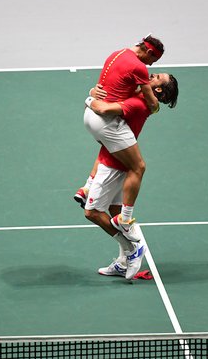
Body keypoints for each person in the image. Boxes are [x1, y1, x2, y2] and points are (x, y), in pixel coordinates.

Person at [80, 73, 178, 280]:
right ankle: (124, 263)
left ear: (157, 89)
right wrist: (94, 91)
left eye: (157, 77)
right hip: (117, 160)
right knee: (114, 210)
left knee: (92, 213)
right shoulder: (141, 98)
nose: (151, 74)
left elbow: (102, 108)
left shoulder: (137, 104)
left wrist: (87, 98)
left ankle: (132, 248)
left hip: (112, 165)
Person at [81, 35, 165, 241]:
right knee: (138, 167)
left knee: (105, 150)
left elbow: (106, 87)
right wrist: (91, 98)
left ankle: (87, 187)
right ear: (150, 52)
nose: (150, 66)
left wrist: (91, 92)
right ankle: (125, 220)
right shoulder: (140, 72)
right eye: (152, 61)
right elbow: (152, 103)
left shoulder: (116, 54)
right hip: (104, 118)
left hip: (91, 118)